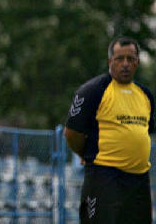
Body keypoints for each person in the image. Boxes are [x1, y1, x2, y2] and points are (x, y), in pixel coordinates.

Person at [64, 36, 154, 224]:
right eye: (119, 59)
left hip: (138, 182)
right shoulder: (93, 91)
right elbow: (72, 133)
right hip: (104, 178)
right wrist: (86, 153)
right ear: (110, 61)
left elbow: (144, 133)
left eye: (130, 59)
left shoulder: (145, 95)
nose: (125, 64)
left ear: (137, 62)